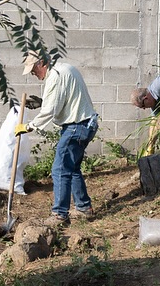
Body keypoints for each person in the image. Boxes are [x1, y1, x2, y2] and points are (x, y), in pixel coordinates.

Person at [16, 52, 99, 225]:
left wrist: (29, 126)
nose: (33, 73)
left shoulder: (55, 76)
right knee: (72, 167)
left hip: (76, 126)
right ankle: (84, 208)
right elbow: (63, 99)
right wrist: (42, 102)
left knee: (60, 169)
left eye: (34, 69)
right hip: (85, 124)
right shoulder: (65, 69)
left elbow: (51, 110)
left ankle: (60, 214)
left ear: (44, 62)